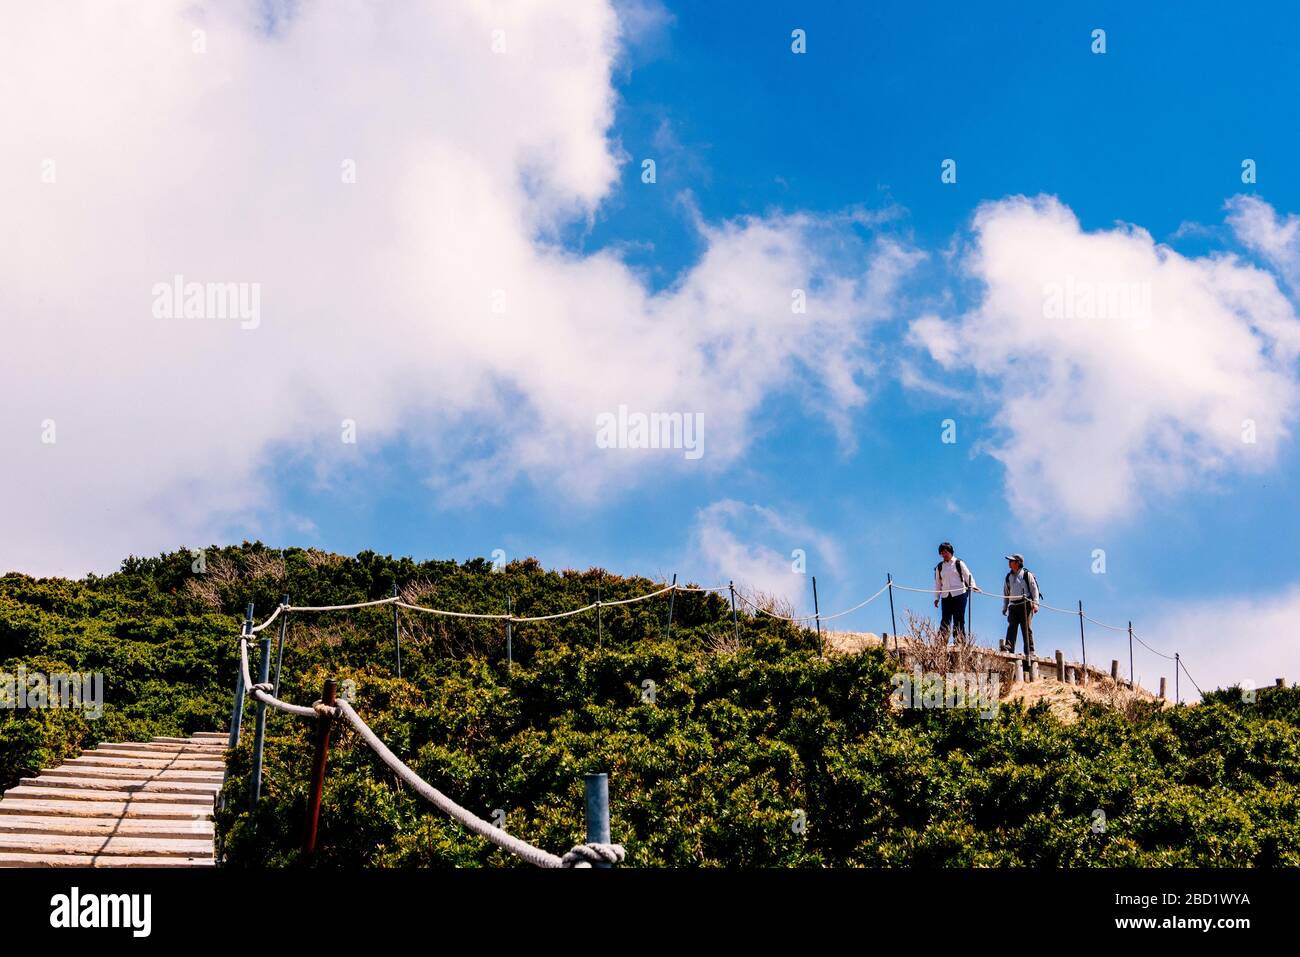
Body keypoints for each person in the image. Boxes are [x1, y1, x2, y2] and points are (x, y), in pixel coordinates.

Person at [1001, 553, 1039, 672]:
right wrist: (1005, 606)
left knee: (1026, 628)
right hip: (1013, 605)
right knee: (1011, 627)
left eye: (1011, 561)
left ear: (1018, 562)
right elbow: (1006, 593)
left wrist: (1036, 604)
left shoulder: (1027, 575)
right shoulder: (1008, 577)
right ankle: (1009, 648)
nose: (1009, 562)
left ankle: (1030, 651)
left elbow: (1034, 590)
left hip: (1025, 604)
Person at [932, 542, 975, 641]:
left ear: (950, 552)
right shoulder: (939, 567)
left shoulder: (958, 563)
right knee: (945, 620)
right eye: (942, 553)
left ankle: (959, 642)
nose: (944, 554)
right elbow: (938, 583)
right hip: (946, 596)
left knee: (959, 619)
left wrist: (973, 586)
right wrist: (936, 598)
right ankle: (942, 642)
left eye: (945, 552)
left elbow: (968, 575)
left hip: (960, 594)